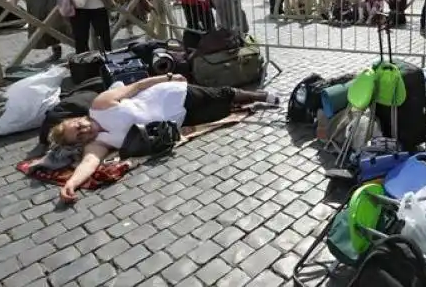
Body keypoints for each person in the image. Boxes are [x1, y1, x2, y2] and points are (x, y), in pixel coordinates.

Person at [49, 74, 280, 203]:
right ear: (78, 142)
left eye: (78, 125)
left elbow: (136, 86)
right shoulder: (98, 143)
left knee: (220, 95)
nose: (83, 130)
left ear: (79, 118)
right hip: (175, 122)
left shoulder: (100, 105)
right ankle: (244, 102)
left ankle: (261, 95)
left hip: (168, 96)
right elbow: (89, 163)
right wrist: (71, 183)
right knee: (220, 110)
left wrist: (168, 77)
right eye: (78, 135)